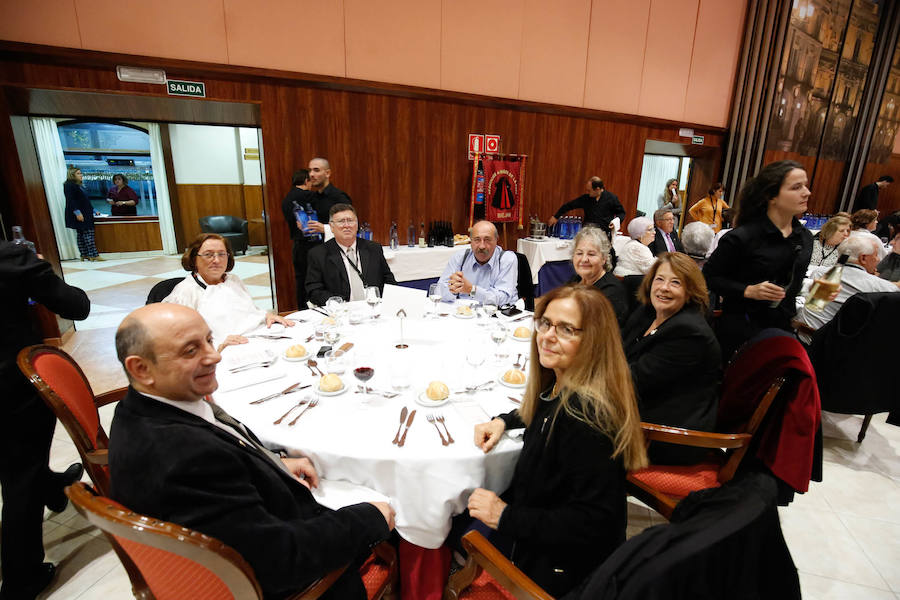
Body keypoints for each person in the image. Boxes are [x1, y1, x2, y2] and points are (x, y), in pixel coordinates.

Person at [108, 303, 394, 600]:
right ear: (141, 369)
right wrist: (367, 518)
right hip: (300, 580)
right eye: (190, 351)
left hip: (245, 528)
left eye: (209, 340)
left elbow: (225, 459)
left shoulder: (139, 410)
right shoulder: (188, 457)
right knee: (391, 505)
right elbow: (281, 561)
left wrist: (274, 464)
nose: (215, 355)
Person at [467, 284, 647, 596]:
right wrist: (503, 420)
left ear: (593, 341)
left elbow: (593, 523)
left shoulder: (586, 417)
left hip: (557, 573)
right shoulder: (565, 386)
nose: (548, 336)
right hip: (542, 538)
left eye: (566, 329)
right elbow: (543, 404)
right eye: (546, 323)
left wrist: (503, 515)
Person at [0, 240, 90, 600]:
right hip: (9, 386)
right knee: (19, 474)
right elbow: (76, 306)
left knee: (18, 460)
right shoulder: (13, 259)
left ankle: (54, 487)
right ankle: (21, 580)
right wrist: (39, 269)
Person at [703, 160, 814, 359]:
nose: (806, 192)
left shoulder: (804, 237)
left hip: (783, 330)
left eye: (805, 185)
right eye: (796, 187)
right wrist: (748, 290)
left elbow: (792, 284)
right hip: (742, 330)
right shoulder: (743, 237)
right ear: (771, 196)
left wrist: (814, 291)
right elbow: (709, 277)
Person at [621, 253, 721, 464]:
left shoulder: (690, 333)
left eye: (675, 282)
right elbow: (617, 352)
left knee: (574, 427)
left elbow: (632, 380)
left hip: (666, 434)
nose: (664, 287)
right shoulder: (648, 313)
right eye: (660, 279)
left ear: (690, 291)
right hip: (638, 410)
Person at [163, 233, 293, 352]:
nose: (217, 260)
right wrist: (218, 345)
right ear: (193, 259)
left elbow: (248, 310)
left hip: (255, 339)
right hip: (220, 352)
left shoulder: (233, 280)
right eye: (208, 255)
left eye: (222, 254)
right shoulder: (185, 291)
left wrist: (266, 315)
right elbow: (178, 340)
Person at [798, 236, 899, 343]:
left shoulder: (819, 274)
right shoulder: (884, 289)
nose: (878, 259)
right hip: (840, 348)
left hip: (803, 338)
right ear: (863, 258)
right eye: (876, 255)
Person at [305, 204, 397, 305]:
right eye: (341, 221)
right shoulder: (318, 254)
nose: (347, 225)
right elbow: (314, 290)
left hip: (373, 308)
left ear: (356, 224)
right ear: (331, 227)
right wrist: (337, 303)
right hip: (340, 311)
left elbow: (389, 281)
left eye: (350, 220)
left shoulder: (373, 248)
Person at [437, 220, 518, 305]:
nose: (482, 246)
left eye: (487, 240)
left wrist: (472, 290)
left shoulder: (506, 259)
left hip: (497, 314)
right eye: (477, 240)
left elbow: (503, 298)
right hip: (465, 313)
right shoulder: (460, 257)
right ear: (470, 241)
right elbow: (438, 291)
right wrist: (452, 290)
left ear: (496, 240)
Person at [568, 227, 629, 326]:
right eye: (579, 253)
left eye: (591, 254)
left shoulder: (611, 291)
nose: (584, 259)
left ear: (604, 258)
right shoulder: (576, 280)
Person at [548, 177, 625, 235]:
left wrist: (615, 222)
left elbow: (621, 213)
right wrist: (556, 216)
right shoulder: (586, 198)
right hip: (587, 233)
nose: (588, 193)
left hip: (604, 234)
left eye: (589, 190)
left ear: (597, 189)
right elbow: (568, 206)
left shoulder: (611, 198)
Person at [280, 168, 311, 307]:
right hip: (311, 245)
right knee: (312, 280)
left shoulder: (287, 199)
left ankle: (302, 310)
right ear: (306, 180)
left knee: (300, 280)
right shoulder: (309, 197)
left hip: (297, 245)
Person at [63, 166, 102, 261]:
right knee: (88, 233)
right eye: (78, 173)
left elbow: (84, 201)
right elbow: (71, 200)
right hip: (80, 213)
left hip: (85, 211)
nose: (81, 175)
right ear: (72, 175)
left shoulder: (78, 185)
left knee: (81, 234)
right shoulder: (69, 185)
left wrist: (93, 210)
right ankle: (93, 255)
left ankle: (84, 254)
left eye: (81, 173)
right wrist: (77, 213)